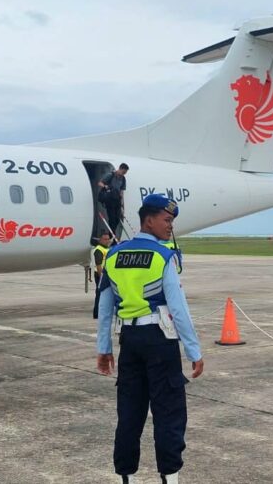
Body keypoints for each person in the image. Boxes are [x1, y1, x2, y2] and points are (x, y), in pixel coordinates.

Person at [96, 194, 204, 484]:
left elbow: (105, 308)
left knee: (129, 414)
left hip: (129, 341)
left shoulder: (114, 255)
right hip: (159, 340)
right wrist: (194, 350)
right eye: (167, 220)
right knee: (168, 413)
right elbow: (178, 309)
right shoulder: (162, 256)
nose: (170, 226)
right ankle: (169, 479)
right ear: (149, 220)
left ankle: (125, 478)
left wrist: (103, 348)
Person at [99, 163, 129, 238]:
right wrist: (106, 186)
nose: (123, 174)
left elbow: (121, 191)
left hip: (117, 199)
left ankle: (112, 233)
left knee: (117, 219)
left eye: (125, 173)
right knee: (112, 218)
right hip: (110, 199)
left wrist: (122, 205)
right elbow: (100, 183)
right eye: (123, 172)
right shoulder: (110, 175)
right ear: (120, 169)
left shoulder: (123, 179)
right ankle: (112, 235)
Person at [91, 232, 112, 319]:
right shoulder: (99, 250)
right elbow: (98, 265)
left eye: (108, 239)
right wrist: (102, 277)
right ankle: (97, 313)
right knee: (99, 294)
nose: (107, 241)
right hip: (100, 274)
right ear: (100, 240)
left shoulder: (107, 249)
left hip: (106, 274)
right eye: (105, 239)